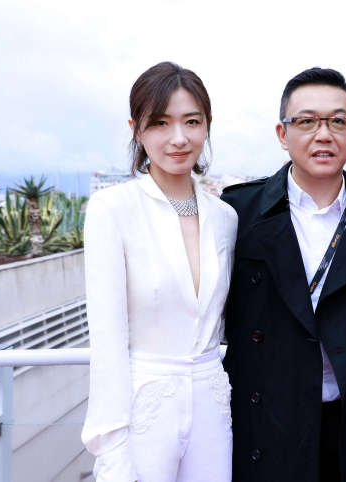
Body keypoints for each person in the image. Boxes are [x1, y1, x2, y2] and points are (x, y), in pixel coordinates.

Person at [221, 67, 346, 482]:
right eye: (306, 121)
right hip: (268, 422)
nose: (323, 134)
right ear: (283, 134)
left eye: (337, 121)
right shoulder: (238, 211)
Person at [81, 61, 237, 482]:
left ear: (207, 125)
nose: (179, 138)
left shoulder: (225, 218)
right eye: (161, 123)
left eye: (192, 122)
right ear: (137, 129)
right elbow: (108, 340)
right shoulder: (112, 210)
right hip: (142, 409)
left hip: (212, 403)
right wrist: (111, 448)